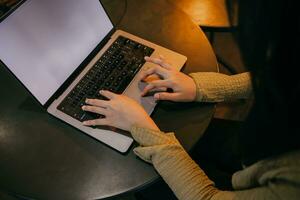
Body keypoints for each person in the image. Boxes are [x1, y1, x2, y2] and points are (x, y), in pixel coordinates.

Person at [81, 0, 300, 199]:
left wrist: (143, 128)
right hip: (260, 156)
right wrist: (197, 87)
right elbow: (282, 76)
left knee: (148, 183)